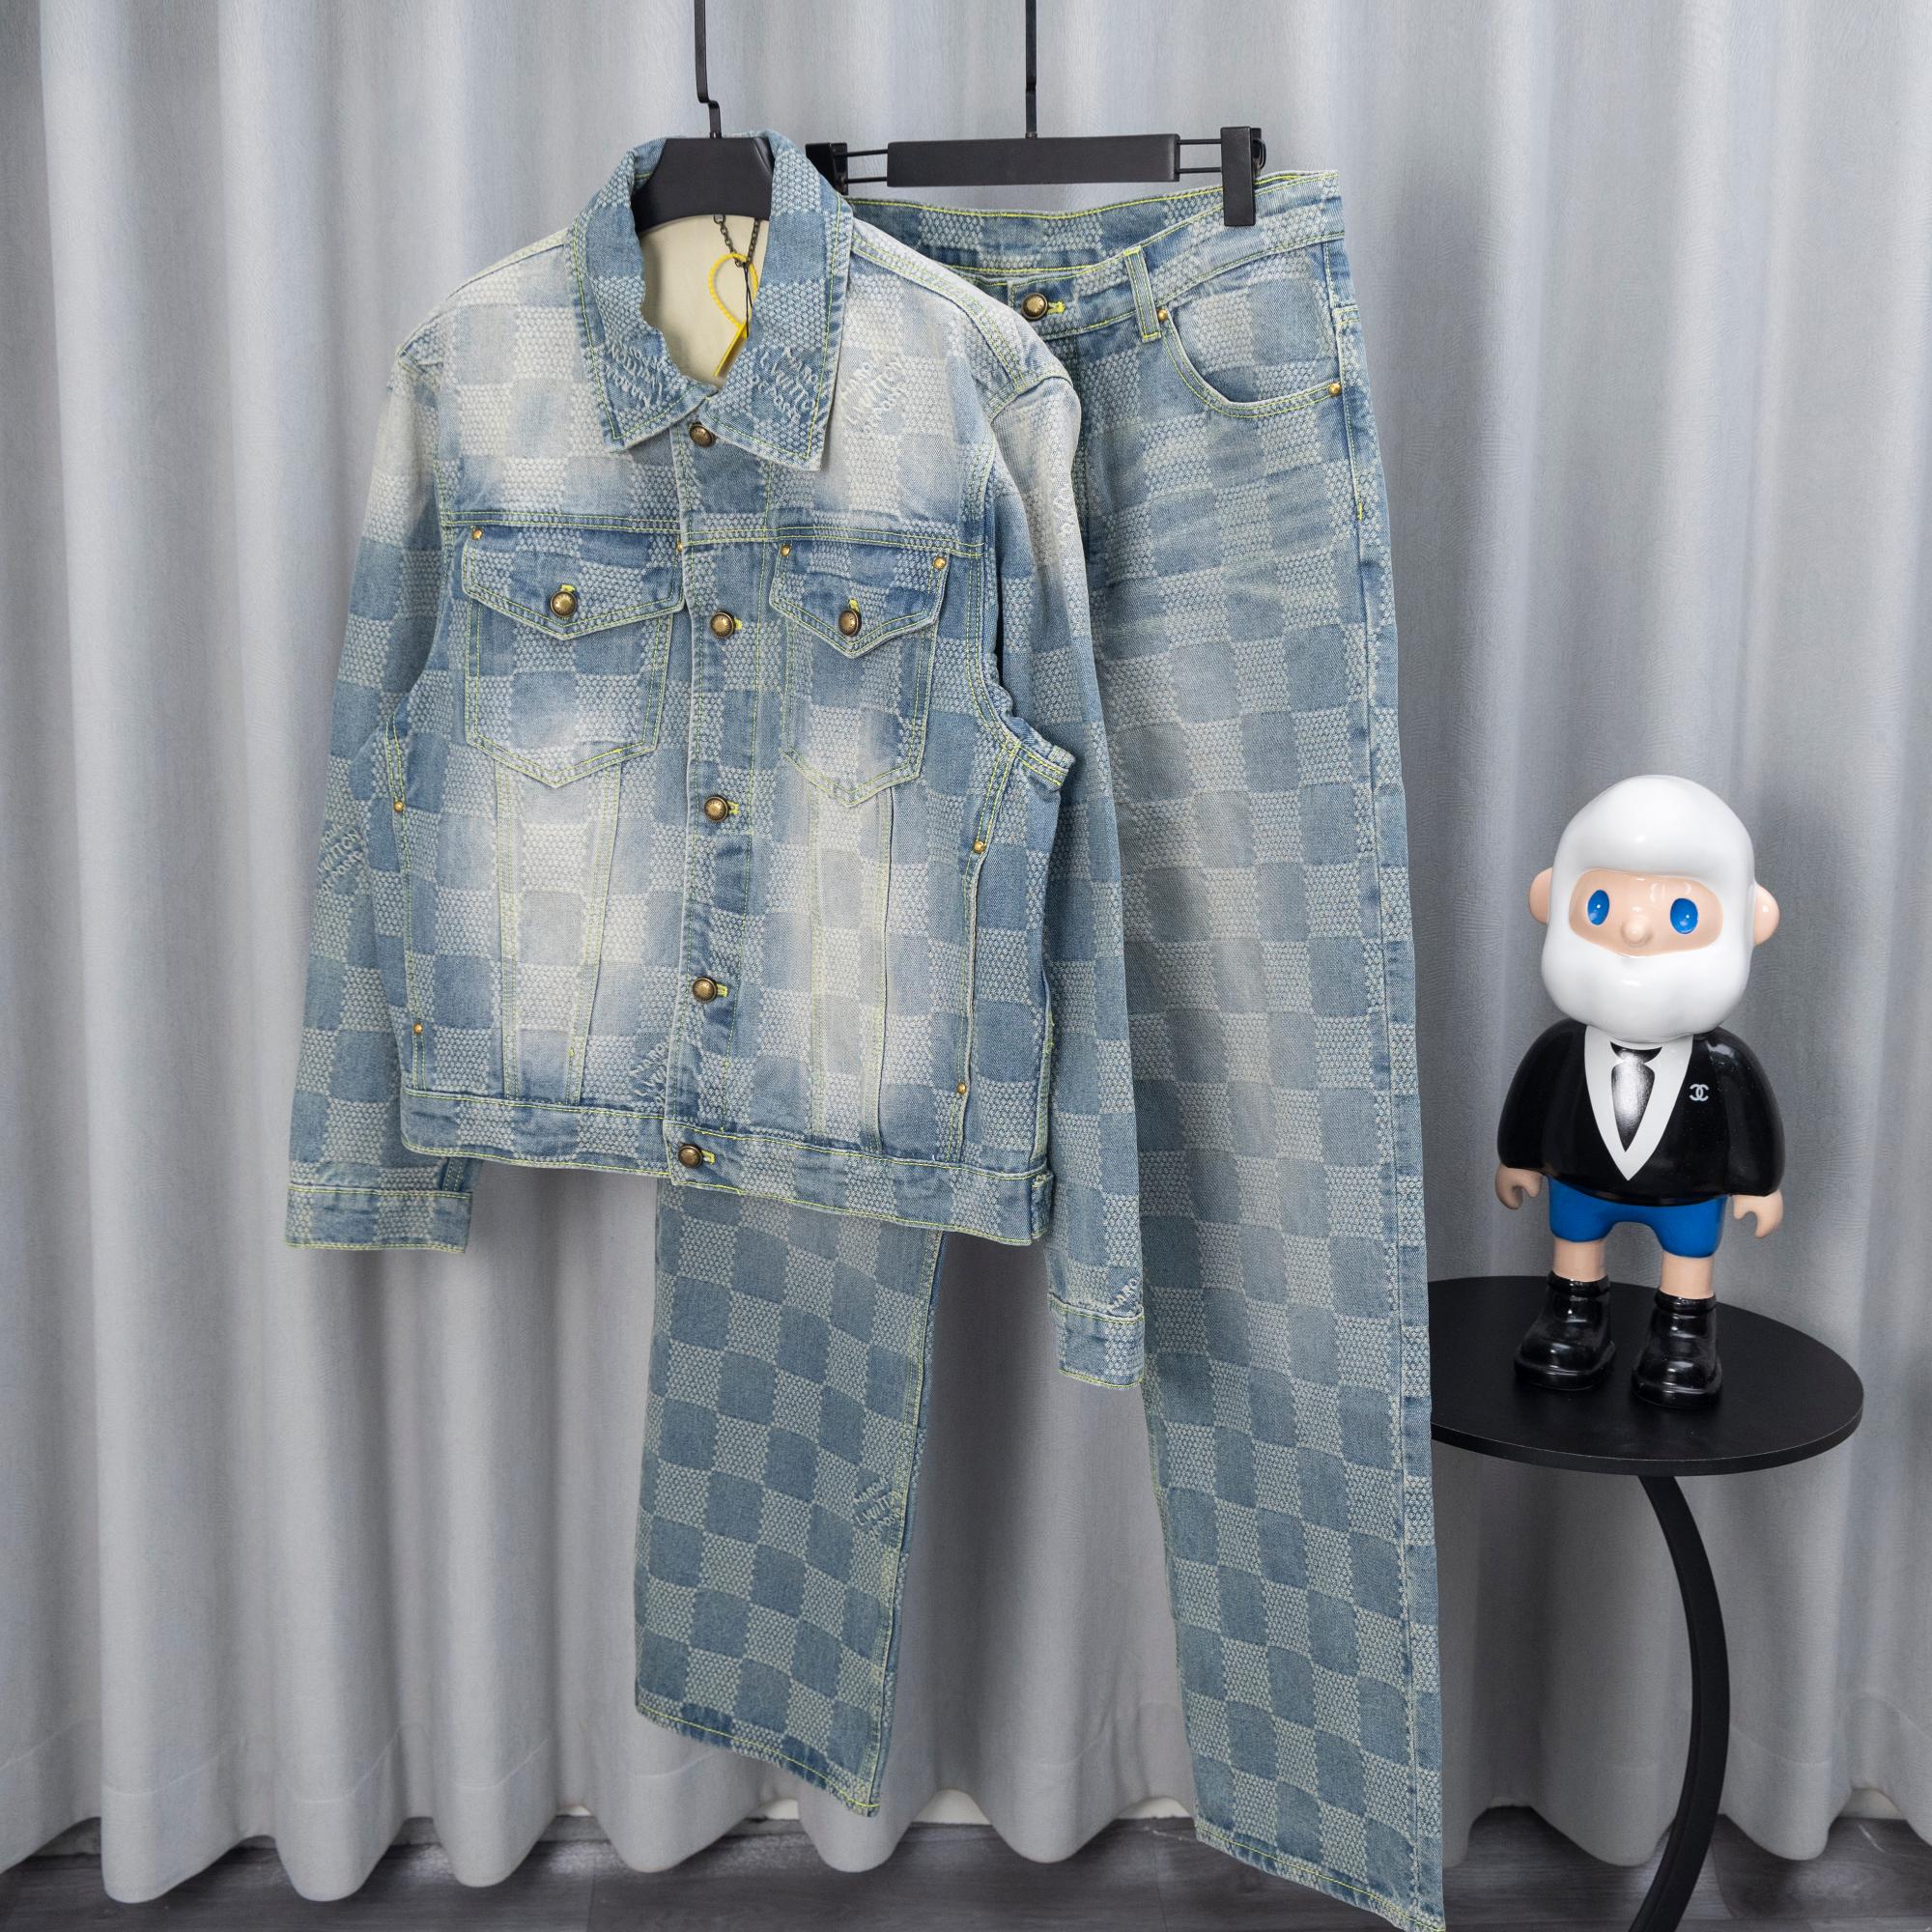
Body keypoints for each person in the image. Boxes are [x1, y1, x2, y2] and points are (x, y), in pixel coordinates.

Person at [1494, 774, 1784, 1406]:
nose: (1632, 931)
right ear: (1549, 898)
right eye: (1599, 906)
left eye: (1682, 915)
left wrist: (1758, 1185)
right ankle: (1573, 1318)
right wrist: (1517, 1159)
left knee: (1689, 1254)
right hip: (1581, 1183)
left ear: (1753, 919)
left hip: (1687, 1192)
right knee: (1575, 1241)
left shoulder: (1721, 1064)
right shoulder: (1563, 1050)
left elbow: (1748, 1121)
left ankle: (1685, 1333)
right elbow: (1533, 1103)